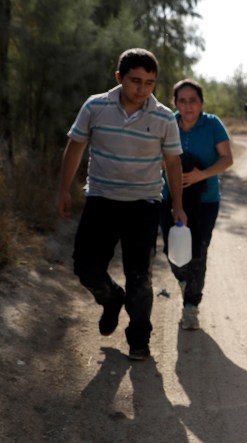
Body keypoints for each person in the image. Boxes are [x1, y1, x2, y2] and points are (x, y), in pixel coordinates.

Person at [57, 48, 185, 361]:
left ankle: (139, 339)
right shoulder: (95, 106)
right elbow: (75, 148)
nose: (142, 89)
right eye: (135, 81)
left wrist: (177, 205)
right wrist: (63, 191)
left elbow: (173, 164)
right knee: (85, 267)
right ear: (119, 78)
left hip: (143, 205)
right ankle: (112, 299)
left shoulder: (164, 117)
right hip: (101, 200)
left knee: (140, 276)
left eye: (149, 82)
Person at [159, 79, 232, 330]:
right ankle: (184, 279)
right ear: (175, 103)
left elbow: (227, 159)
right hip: (169, 197)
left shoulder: (212, 124)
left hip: (205, 200)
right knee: (174, 252)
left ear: (201, 103)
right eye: (182, 101)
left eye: (193, 100)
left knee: (198, 252)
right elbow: (157, 158)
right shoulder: (167, 123)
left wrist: (201, 174)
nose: (188, 106)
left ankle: (191, 307)